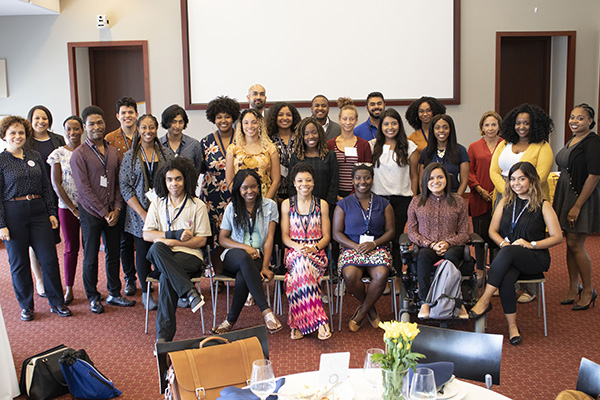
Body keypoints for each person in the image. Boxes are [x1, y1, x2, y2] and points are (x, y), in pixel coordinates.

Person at [468, 162, 562, 345]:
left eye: (522, 178)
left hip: (534, 258)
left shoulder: (543, 205)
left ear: (532, 180)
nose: (516, 183)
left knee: (509, 252)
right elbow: (492, 231)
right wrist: (503, 243)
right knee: (506, 277)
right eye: (512, 179)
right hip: (509, 258)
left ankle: (485, 299)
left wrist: (531, 244)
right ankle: (512, 326)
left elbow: (557, 237)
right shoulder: (505, 202)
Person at [0, 116, 71, 320]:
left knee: (49, 259)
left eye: (21, 132)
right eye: (12, 133)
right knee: (19, 263)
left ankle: (56, 302)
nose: (17, 136)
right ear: (4, 136)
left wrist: (51, 212)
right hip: (13, 213)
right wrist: (1, 224)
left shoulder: (34, 156)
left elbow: (46, 187)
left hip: (39, 212)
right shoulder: (1, 160)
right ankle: (27, 306)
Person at [71, 106, 135, 314]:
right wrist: (103, 212)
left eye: (99, 123)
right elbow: (83, 189)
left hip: (112, 212)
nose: (96, 127)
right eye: (91, 124)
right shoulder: (79, 155)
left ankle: (114, 293)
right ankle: (92, 296)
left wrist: (116, 208)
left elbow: (117, 183)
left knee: (113, 253)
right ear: (84, 127)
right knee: (90, 256)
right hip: (91, 213)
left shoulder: (113, 151)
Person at [490, 103, 554, 303]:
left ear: (534, 125)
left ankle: (529, 288)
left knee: (526, 237)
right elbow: (493, 170)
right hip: (504, 195)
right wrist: (508, 191)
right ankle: (505, 280)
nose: (522, 126)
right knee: (506, 236)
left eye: (527, 123)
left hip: (530, 198)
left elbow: (540, 176)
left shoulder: (542, 146)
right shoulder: (504, 143)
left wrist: (517, 190)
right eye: (518, 123)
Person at [143, 157, 211, 343]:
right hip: (163, 254)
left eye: (178, 179)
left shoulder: (197, 205)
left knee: (166, 276)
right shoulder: (157, 203)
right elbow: (146, 235)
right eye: (169, 179)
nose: (174, 183)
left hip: (189, 256)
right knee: (156, 247)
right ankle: (189, 292)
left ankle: (163, 338)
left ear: (186, 179)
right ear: (164, 181)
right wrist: (173, 235)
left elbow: (201, 241)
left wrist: (173, 243)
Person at [211, 169, 282, 334]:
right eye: (245, 188)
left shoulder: (270, 206)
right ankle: (266, 311)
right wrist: (246, 247)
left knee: (243, 274)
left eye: (253, 187)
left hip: (257, 257)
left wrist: (265, 266)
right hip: (232, 255)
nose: (250, 191)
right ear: (238, 189)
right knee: (244, 257)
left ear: (259, 187)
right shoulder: (232, 208)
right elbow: (223, 239)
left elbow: (270, 238)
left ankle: (229, 321)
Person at [332, 164, 395, 332]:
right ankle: (371, 310)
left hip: (377, 247)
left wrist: (374, 244)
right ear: (353, 181)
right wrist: (355, 247)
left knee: (382, 274)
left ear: (372, 179)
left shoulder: (384, 204)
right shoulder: (343, 204)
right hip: (351, 248)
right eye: (358, 178)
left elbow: (391, 231)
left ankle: (361, 314)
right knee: (350, 275)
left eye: (366, 177)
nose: (363, 181)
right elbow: (337, 234)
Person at [407, 163, 470, 319]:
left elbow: (464, 233)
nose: (436, 181)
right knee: (422, 257)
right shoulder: (417, 201)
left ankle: (457, 302)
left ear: (446, 179)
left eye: (440, 177)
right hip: (427, 246)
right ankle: (424, 302)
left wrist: (448, 243)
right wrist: (430, 244)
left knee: (451, 258)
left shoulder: (458, 201)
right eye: (431, 178)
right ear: (425, 182)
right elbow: (411, 232)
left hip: (452, 246)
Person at [553, 104, 600, 310]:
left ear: (590, 121)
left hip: (581, 197)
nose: (574, 121)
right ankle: (574, 287)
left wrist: (577, 205)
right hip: (566, 194)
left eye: (580, 118)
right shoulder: (573, 139)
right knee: (569, 241)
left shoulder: (593, 143)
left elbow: (594, 175)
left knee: (576, 244)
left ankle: (589, 290)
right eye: (572, 117)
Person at [120, 114, 169, 310]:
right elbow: (125, 186)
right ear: (138, 130)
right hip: (138, 212)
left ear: (157, 130)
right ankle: (147, 293)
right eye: (144, 128)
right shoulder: (129, 156)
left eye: (152, 128)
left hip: (163, 212)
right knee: (142, 252)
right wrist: (141, 212)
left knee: (165, 250)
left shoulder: (165, 154)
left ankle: (169, 289)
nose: (148, 131)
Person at [281, 163, 332, 340]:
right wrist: (298, 248)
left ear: (314, 182)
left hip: (317, 253)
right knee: (301, 264)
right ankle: (320, 322)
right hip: (294, 252)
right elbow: (285, 237)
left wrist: (314, 248)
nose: (305, 184)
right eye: (300, 180)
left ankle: (296, 322)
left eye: (308, 180)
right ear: (294, 183)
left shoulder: (322, 205)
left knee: (298, 274)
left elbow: (326, 236)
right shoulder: (287, 204)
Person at [370, 108, 419, 275]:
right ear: (380, 126)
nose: (390, 127)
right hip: (378, 199)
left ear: (399, 125)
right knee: (380, 238)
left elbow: (414, 176)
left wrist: (414, 198)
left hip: (402, 199)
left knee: (397, 238)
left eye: (393, 123)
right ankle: (382, 276)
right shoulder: (372, 146)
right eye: (386, 124)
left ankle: (397, 274)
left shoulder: (410, 147)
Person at [25, 105, 65, 297]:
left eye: (45, 118)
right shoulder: (26, 142)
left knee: (51, 240)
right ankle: (40, 280)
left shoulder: (58, 139)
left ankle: (53, 279)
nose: (41, 121)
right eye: (37, 118)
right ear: (30, 120)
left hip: (57, 194)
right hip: (36, 195)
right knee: (35, 242)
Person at [47, 115, 84, 305]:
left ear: (82, 130)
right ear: (64, 131)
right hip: (66, 208)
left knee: (90, 248)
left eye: (76, 128)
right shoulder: (58, 153)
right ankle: (69, 288)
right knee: (71, 248)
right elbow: (56, 184)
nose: (72, 132)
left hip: (88, 208)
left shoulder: (88, 151)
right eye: (68, 129)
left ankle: (91, 287)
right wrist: (72, 208)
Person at [106, 96, 140, 296]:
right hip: (119, 196)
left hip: (143, 197)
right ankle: (130, 278)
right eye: (123, 113)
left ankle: (147, 276)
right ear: (117, 116)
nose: (127, 116)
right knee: (124, 241)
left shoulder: (145, 133)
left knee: (145, 239)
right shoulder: (110, 139)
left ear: (136, 114)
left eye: (131, 112)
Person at [200, 96, 240, 243]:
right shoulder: (205, 142)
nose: (223, 121)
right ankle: (211, 265)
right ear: (213, 118)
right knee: (211, 234)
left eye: (227, 117)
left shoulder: (242, 139)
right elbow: (201, 168)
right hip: (211, 195)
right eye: (219, 117)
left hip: (236, 192)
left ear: (233, 117)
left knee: (234, 231)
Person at [468, 111, 503, 264]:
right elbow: (469, 172)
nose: (490, 128)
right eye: (487, 125)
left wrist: (498, 190)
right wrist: (480, 190)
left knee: (499, 234)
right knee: (480, 235)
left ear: (499, 126)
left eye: (493, 124)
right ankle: (481, 269)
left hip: (501, 196)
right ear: (482, 127)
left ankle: (496, 268)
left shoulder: (506, 145)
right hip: (479, 197)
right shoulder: (474, 147)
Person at [226, 109, 280, 200]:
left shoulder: (270, 148)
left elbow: (276, 180)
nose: (250, 126)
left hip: (265, 198)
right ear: (241, 125)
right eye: (246, 123)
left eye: (254, 122)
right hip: (241, 199)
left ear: (260, 124)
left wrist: (266, 202)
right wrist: (239, 200)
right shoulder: (233, 149)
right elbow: (229, 180)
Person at [327, 98, 372, 199]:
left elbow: (368, 172)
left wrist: (353, 195)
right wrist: (335, 195)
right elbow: (328, 173)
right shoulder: (329, 145)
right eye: (344, 118)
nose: (348, 122)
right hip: (335, 195)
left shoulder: (364, 145)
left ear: (356, 120)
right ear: (339, 119)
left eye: (351, 119)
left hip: (358, 194)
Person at [288, 117, 339, 207]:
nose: (311, 136)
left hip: (326, 206)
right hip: (301, 207)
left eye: (314, 132)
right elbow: (291, 185)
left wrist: (327, 205)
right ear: (301, 136)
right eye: (306, 134)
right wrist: (297, 205)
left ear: (320, 133)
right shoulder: (296, 157)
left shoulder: (330, 156)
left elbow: (333, 184)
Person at [419, 114, 470, 195]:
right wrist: (427, 201)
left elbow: (464, 181)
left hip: (453, 197)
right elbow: (422, 182)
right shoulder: (426, 152)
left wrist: (457, 199)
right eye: (437, 127)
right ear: (433, 130)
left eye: (445, 127)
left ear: (450, 130)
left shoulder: (460, 150)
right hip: (431, 199)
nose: (441, 130)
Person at [266, 102, 302, 201]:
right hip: (275, 192)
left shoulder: (301, 138)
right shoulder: (268, 140)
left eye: (289, 115)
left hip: (298, 191)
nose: (285, 118)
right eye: (280, 115)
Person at [160, 104, 202, 172]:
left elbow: (198, 169)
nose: (177, 126)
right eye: (174, 122)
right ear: (166, 122)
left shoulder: (194, 144)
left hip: (189, 182)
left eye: (180, 122)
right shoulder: (158, 144)